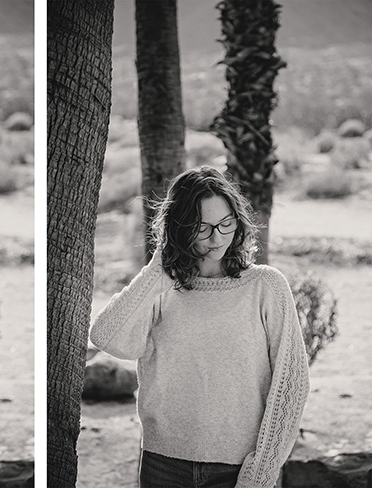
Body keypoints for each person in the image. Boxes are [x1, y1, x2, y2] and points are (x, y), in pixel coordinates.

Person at [89, 166, 309, 488]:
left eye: (225, 224)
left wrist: (260, 471)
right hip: (162, 464)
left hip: (237, 468)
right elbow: (107, 337)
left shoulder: (265, 286)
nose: (217, 237)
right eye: (202, 228)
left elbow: (291, 384)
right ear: (180, 227)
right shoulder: (161, 289)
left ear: (238, 221)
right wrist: (157, 272)